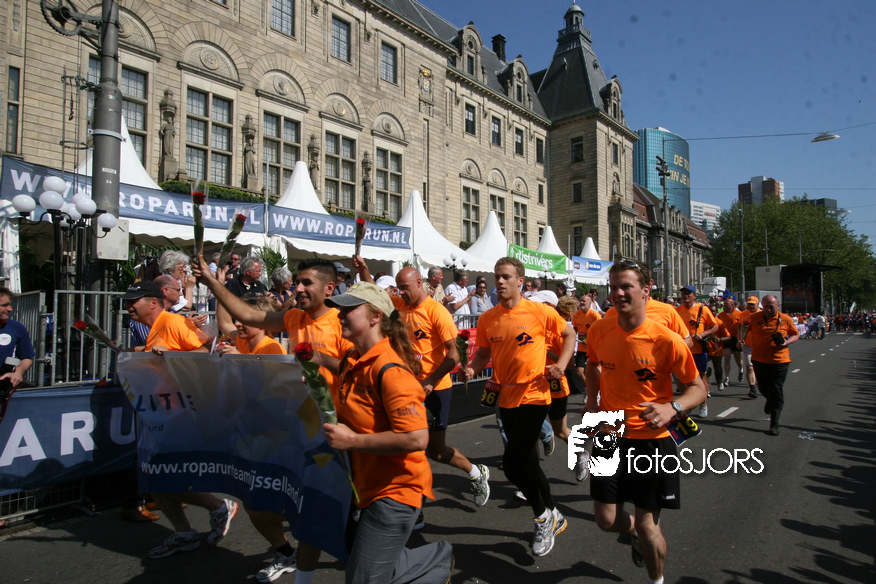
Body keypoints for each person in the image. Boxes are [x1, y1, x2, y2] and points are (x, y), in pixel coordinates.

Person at [195, 256, 353, 584]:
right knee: (280, 505)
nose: (299, 288)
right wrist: (212, 283)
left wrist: (322, 361)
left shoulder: (343, 323)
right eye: (297, 282)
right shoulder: (294, 317)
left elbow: (359, 374)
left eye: (307, 283)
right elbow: (248, 315)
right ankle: (294, 558)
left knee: (333, 513)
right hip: (296, 427)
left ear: (329, 288)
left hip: (336, 432)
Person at [323, 282, 454, 584]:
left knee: (363, 580)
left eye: (348, 309)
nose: (340, 315)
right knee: (368, 565)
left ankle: (437, 558)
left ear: (375, 316)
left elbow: (416, 439)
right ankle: (431, 561)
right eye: (339, 309)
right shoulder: (351, 361)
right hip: (362, 486)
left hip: (396, 490)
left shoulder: (392, 371)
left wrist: (352, 440)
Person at [584, 260, 706, 584]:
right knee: (606, 520)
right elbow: (592, 364)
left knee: (648, 524)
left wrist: (673, 408)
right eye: (613, 287)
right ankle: (635, 533)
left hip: (652, 440)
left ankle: (656, 579)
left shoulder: (666, 339)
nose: (618, 294)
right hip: (609, 434)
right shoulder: (599, 330)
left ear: (645, 290)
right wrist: (591, 400)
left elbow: (698, 389)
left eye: (626, 286)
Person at [353, 261, 491, 521]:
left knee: (436, 451)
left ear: (419, 284)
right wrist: (363, 270)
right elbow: (374, 291)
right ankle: (410, 511)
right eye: (398, 288)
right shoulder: (400, 306)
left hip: (436, 388)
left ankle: (476, 472)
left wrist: (430, 380)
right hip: (406, 388)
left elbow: (453, 354)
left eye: (405, 287)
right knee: (405, 447)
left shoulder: (436, 312)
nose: (401, 292)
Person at [460, 257, 575, 557]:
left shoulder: (539, 312)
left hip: (535, 394)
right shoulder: (488, 318)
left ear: (520, 281)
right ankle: (554, 513)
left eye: (506, 277)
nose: (499, 281)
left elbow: (569, 335)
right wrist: (472, 369)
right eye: (496, 276)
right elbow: (483, 354)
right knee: (529, 463)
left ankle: (543, 517)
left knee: (512, 464)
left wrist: (561, 365)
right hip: (506, 395)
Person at [121, 281, 237, 558]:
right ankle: (186, 532)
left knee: (165, 479)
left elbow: (208, 351)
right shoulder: (155, 328)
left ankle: (218, 507)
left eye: (133, 301)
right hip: (161, 412)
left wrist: (172, 356)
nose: (128, 307)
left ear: (153, 302)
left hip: (182, 414)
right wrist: (141, 353)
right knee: (156, 481)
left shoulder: (173, 322)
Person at [747, 294, 799, 435]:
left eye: (771, 307)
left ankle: (774, 424)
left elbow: (795, 334)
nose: (768, 310)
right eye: (765, 307)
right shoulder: (754, 318)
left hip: (779, 361)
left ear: (778, 306)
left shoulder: (786, 319)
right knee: (763, 388)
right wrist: (741, 341)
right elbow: (747, 329)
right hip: (759, 359)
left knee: (776, 389)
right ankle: (770, 401)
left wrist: (787, 342)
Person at [674, 285, 718, 417]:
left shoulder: (702, 309)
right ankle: (687, 404)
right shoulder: (677, 310)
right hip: (683, 349)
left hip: (698, 350)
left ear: (694, 296)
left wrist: (703, 334)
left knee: (700, 378)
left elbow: (714, 326)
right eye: (683, 294)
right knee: (682, 379)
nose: (685, 296)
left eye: (688, 293)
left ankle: (703, 405)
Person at [0, 287, 35, 389]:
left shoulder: (16, 327)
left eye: (9, 305)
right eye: (4, 305)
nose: (10, 309)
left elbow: (27, 358)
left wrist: (18, 372)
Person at [737, 296, 761, 398]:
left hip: (760, 345)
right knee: (749, 367)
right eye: (749, 304)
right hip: (747, 344)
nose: (751, 306)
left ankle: (762, 384)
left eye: (753, 304)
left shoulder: (762, 314)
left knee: (760, 367)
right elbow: (740, 329)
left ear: (757, 304)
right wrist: (739, 340)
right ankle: (752, 389)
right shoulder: (743, 315)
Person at [717, 295, 744, 387]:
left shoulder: (739, 314)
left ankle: (741, 369)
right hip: (726, 338)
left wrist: (740, 338)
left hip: (735, 338)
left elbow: (742, 327)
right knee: (727, 356)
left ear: (732, 305)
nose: (725, 305)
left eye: (727, 304)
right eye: (724, 304)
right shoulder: (721, 315)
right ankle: (727, 378)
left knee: (737, 358)